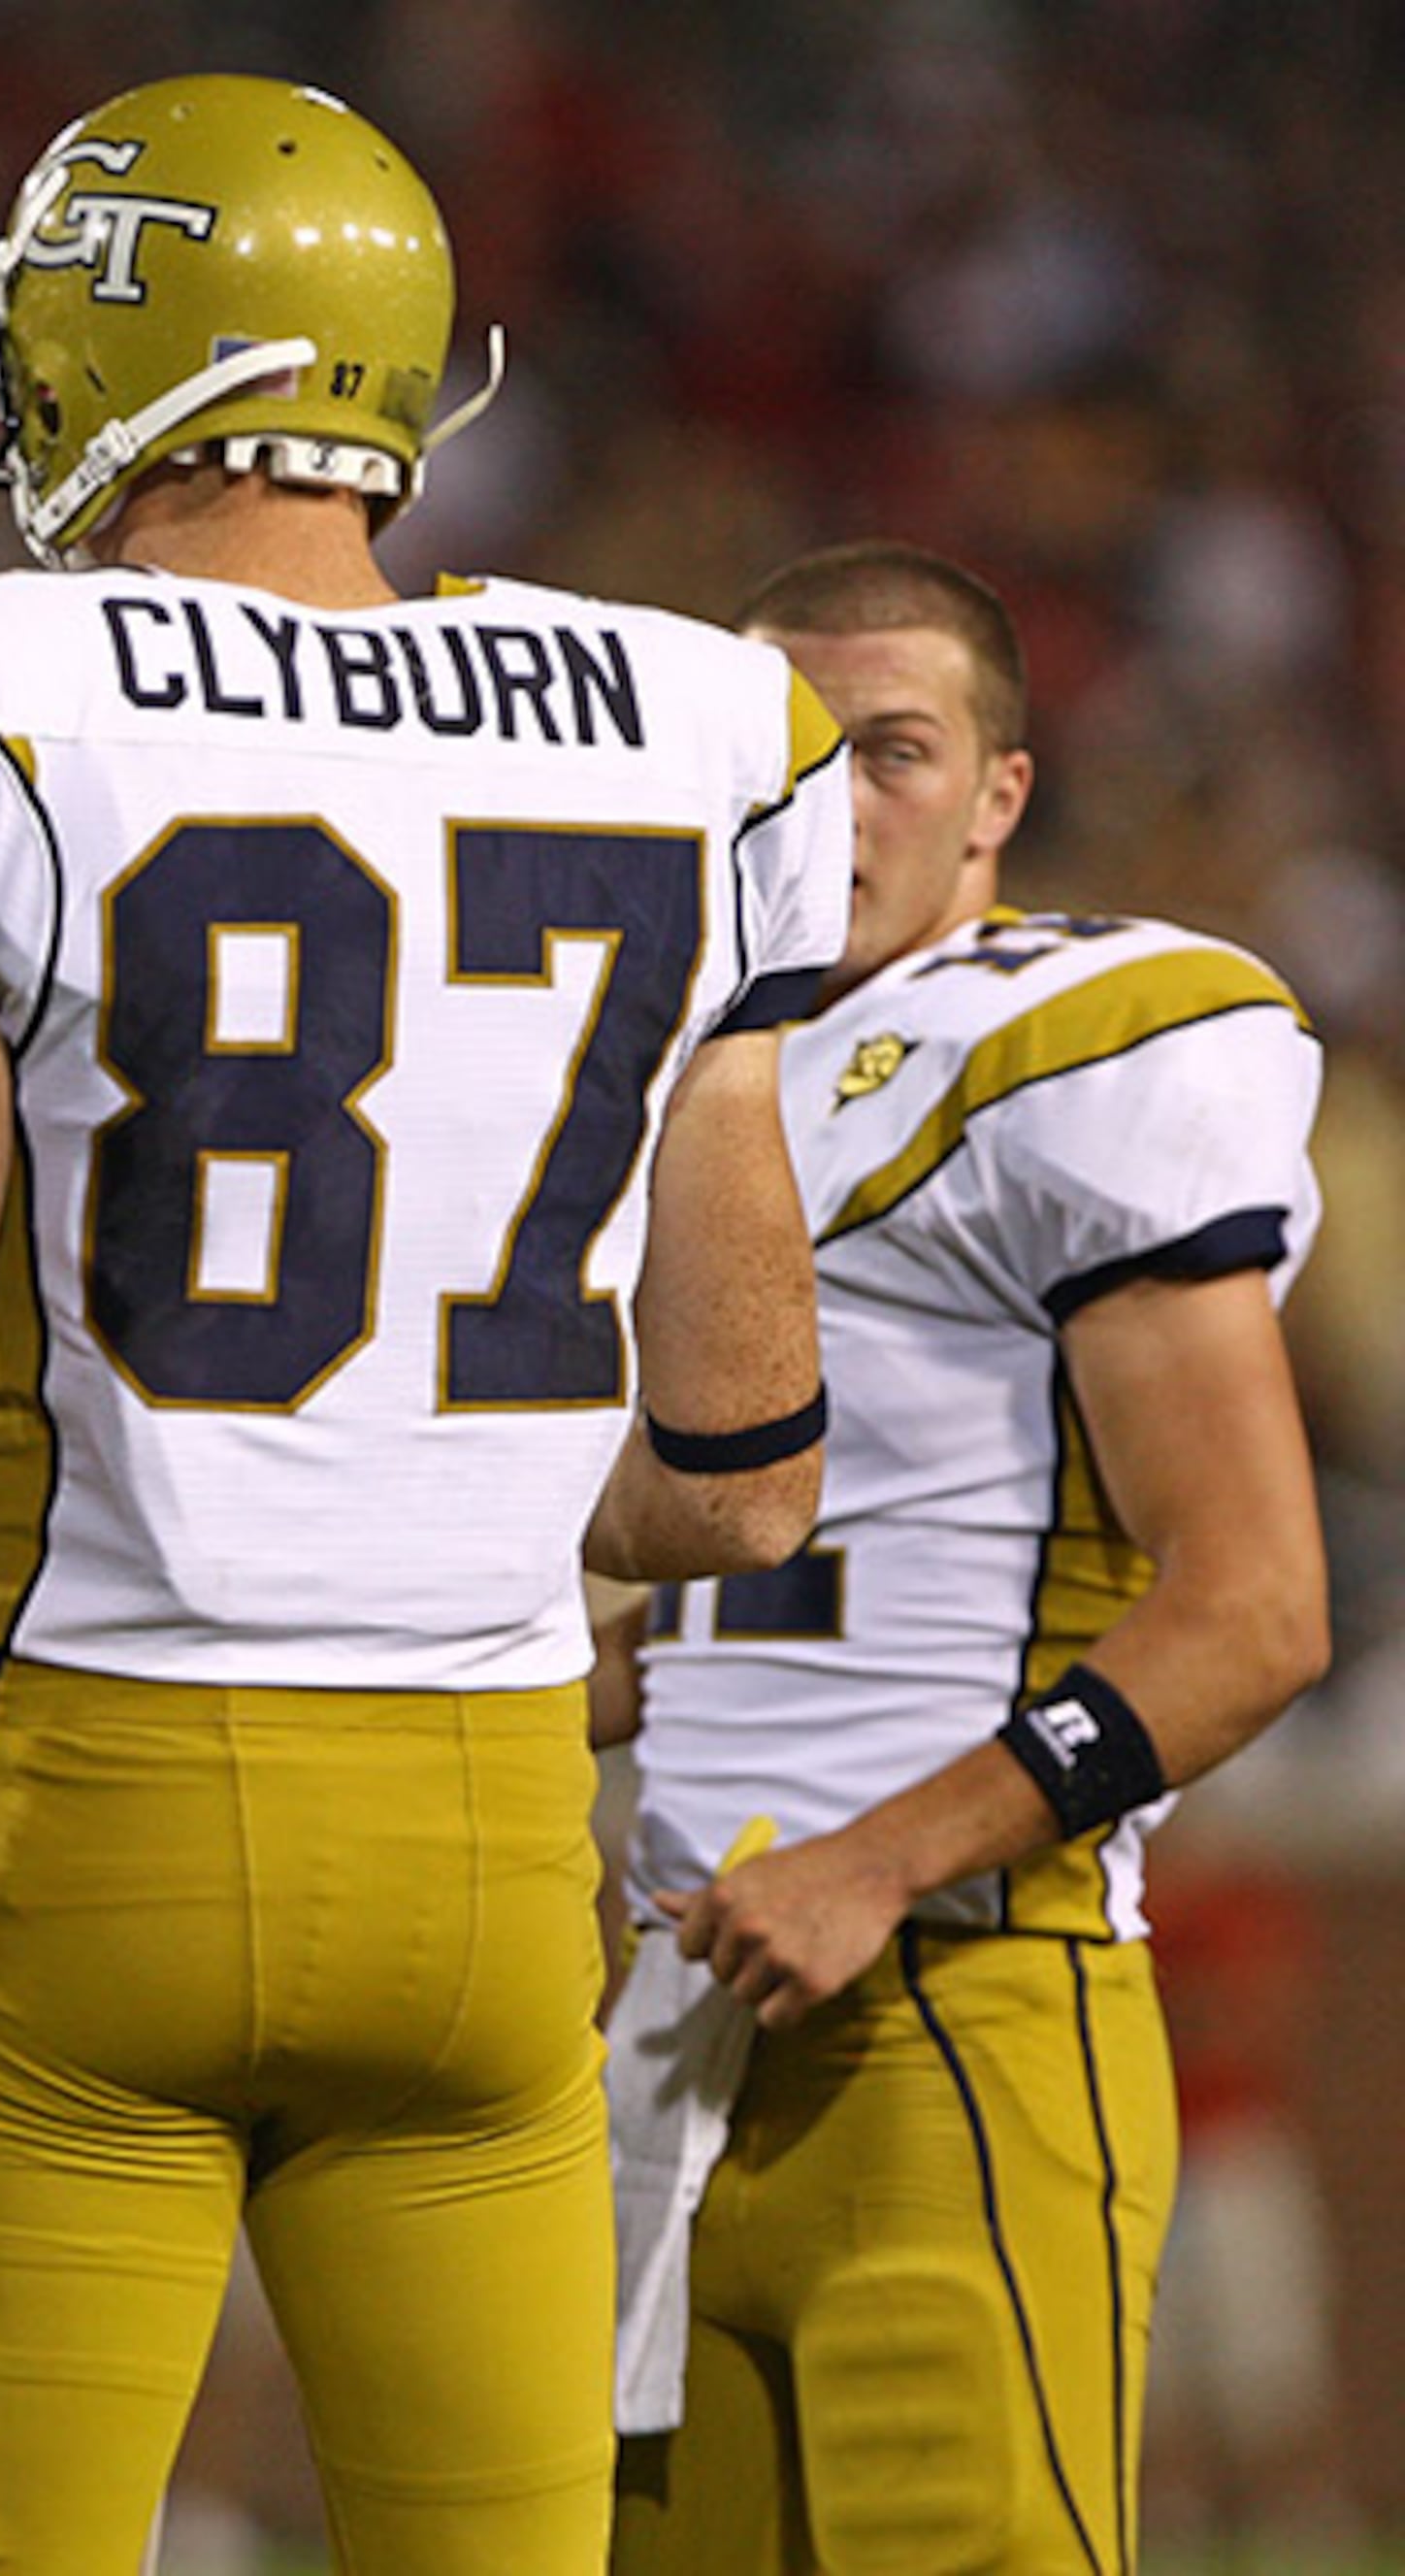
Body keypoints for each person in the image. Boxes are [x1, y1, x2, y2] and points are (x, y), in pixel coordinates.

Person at [0, 75, 851, 2573]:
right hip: (484, 1838)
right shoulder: (713, 723)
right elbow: (756, 1457)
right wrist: (478, 1499)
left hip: (93, 1789)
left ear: (112, 349)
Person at [606, 541, 1328, 2576]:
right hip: (656, 2035)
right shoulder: (675, 1064)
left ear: (1001, 793)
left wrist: (879, 1855)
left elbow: (1260, 1611)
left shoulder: (1086, 1035)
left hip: (949, 2006)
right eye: (791, 756)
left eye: (896, 754)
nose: (834, 808)